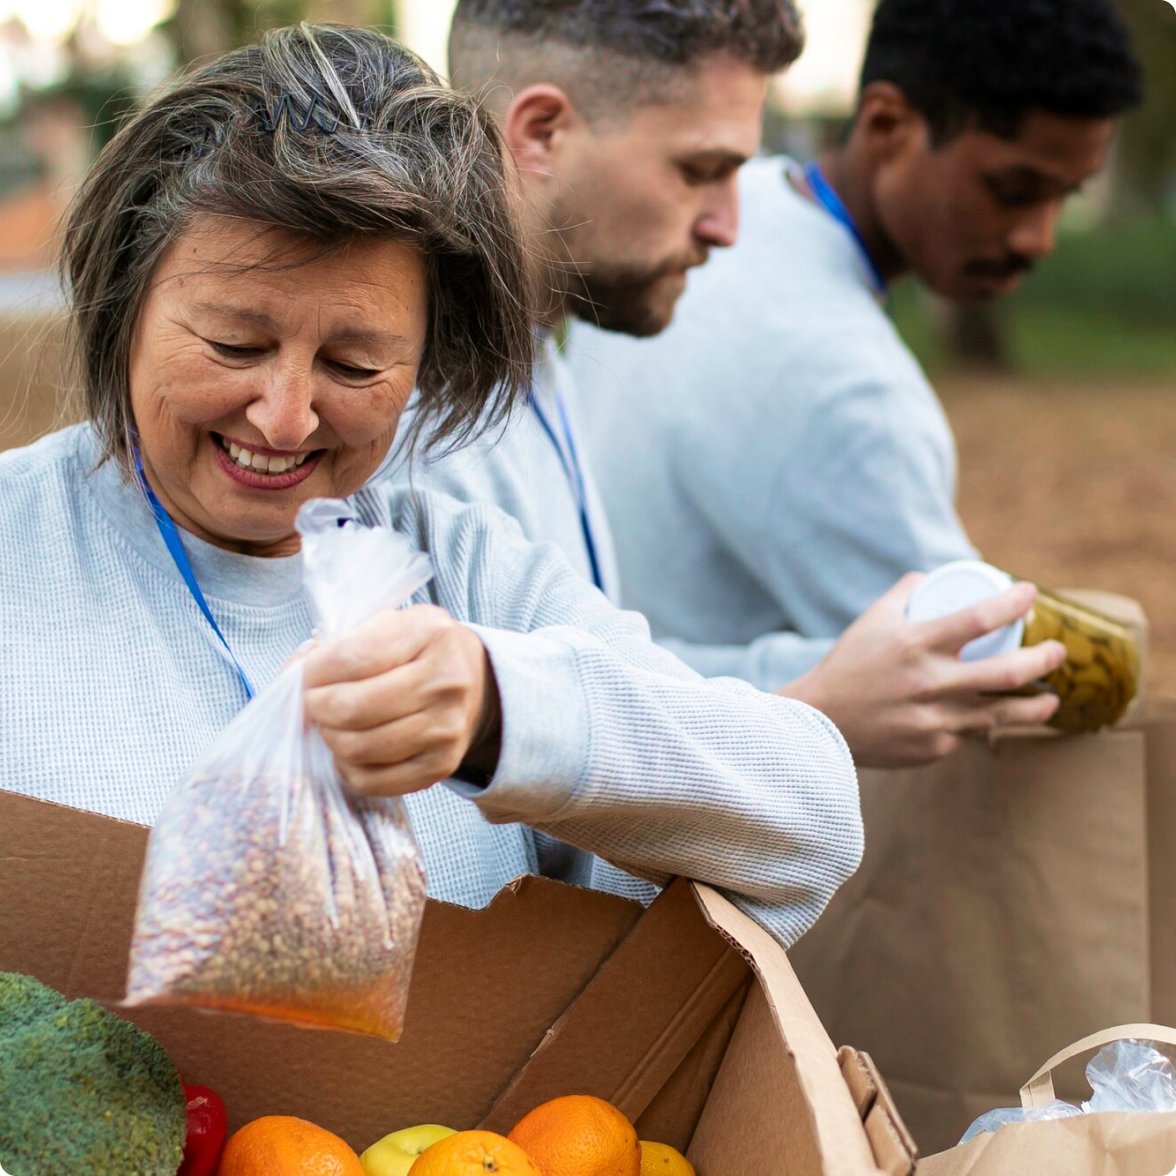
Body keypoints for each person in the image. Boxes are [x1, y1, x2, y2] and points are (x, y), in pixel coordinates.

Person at [0, 24, 864, 950]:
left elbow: (810, 819)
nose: (285, 417)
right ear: (125, 305)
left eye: (355, 363)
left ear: (423, 363)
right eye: (233, 346)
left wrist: (501, 714)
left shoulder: (460, 573)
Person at [391, 0, 1069, 768]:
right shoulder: (402, 415)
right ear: (542, 131)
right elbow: (469, 805)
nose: (727, 226)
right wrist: (808, 716)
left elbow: (579, 679)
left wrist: (819, 685)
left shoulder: (533, 352)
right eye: (700, 172)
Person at [569, 0, 1143, 722]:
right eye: (1013, 190)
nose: (1040, 238)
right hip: (688, 778)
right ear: (888, 127)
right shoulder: (850, 387)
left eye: (1066, 196)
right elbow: (974, 656)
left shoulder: (710, 209)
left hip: (600, 693)